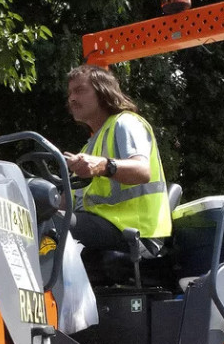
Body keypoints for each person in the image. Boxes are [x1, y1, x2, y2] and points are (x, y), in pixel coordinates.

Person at [63, 65, 170, 256]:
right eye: (70, 93)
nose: (72, 98)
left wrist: (105, 165)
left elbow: (142, 170)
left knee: (54, 225)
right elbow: (65, 202)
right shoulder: (87, 149)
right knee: (37, 223)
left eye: (79, 90)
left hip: (136, 233)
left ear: (103, 92)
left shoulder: (126, 123)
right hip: (105, 226)